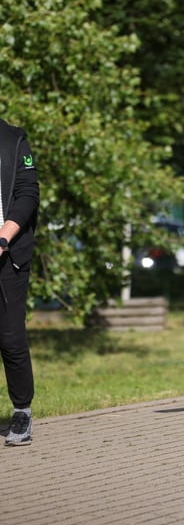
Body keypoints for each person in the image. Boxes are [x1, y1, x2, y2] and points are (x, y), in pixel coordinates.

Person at [0, 118, 39, 447]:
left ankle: (22, 410)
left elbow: (27, 193)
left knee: (10, 336)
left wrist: (3, 238)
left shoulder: (13, 139)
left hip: (7, 254)